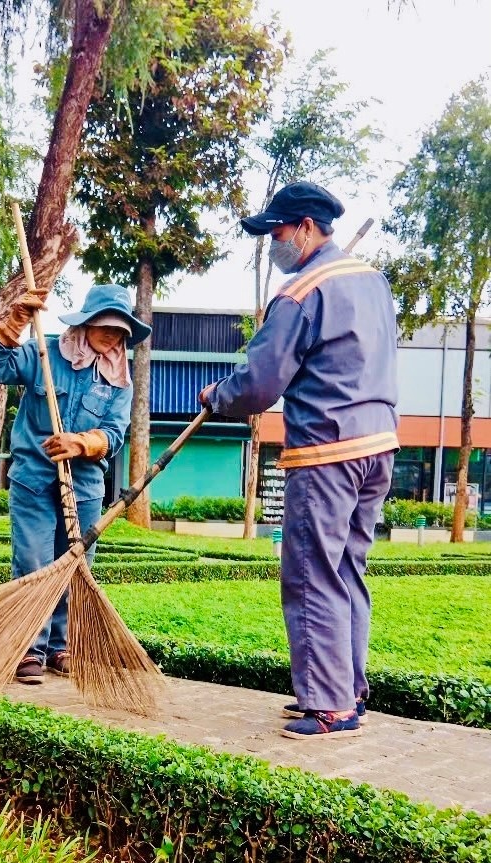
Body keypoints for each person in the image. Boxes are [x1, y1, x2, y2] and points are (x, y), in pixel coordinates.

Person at [199, 181, 398, 740]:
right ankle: (347, 693)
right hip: (378, 445)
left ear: (307, 226)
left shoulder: (301, 290)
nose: (274, 243)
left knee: (311, 571)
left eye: (278, 232)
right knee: (346, 570)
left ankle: (328, 705)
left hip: (327, 450)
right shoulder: (372, 281)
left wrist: (219, 397)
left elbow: (260, 382)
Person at [0, 283, 151, 684]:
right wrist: (16, 320)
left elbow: (115, 433)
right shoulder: (45, 350)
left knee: (75, 568)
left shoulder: (120, 381)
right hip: (34, 479)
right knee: (33, 562)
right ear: (87, 322)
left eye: (120, 330)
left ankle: (62, 646)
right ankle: (28, 647)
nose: (111, 336)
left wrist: (82, 443)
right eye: (105, 325)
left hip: (86, 486)